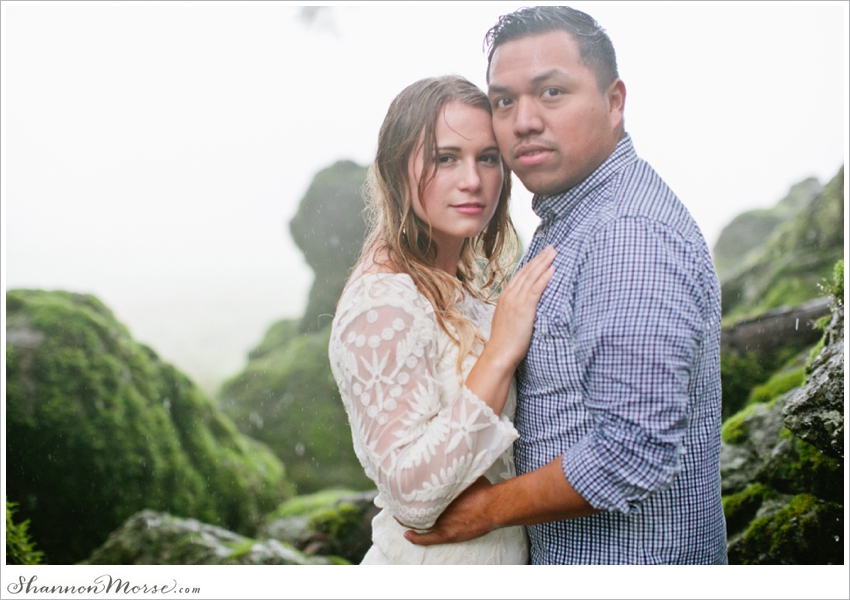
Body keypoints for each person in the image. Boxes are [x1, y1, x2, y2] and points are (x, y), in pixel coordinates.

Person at [406, 6, 728, 564]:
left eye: (551, 92)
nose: (523, 120)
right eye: (504, 101)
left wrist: (479, 513)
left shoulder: (627, 237)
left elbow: (631, 454)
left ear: (614, 101)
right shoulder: (576, 217)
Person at [328, 75, 557, 564]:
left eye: (488, 158)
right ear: (396, 168)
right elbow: (413, 497)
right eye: (445, 158)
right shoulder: (382, 302)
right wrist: (500, 352)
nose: (472, 179)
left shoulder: (459, 282)